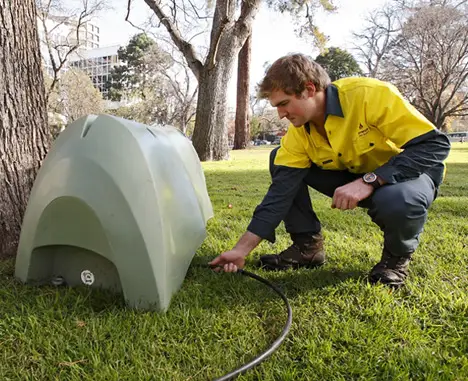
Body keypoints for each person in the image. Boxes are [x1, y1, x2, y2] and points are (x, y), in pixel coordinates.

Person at [209, 53, 451, 288]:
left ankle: (394, 261)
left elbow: (434, 145)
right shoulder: (298, 134)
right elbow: (279, 195)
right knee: (279, 160)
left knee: (399, 199)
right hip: (352, 175)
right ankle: (308, 249)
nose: (281, 114)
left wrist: (369, 181)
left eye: (284, 104)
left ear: (309, 89)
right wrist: (240, 250)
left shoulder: (369, 95)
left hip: (408, 174)